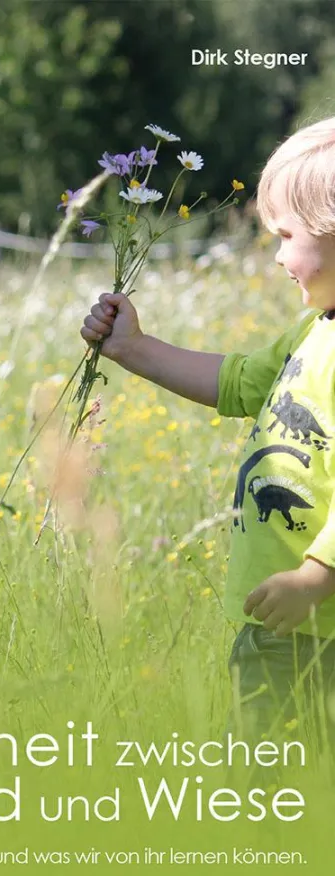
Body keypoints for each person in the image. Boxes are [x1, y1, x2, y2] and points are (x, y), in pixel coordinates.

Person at [81, 117, 335, 746]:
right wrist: (133, 349)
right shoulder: (316, 331)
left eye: (286, 235)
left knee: (269, 792)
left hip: (315, 629)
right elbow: (239, 383)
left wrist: (317, 577)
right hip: (284, 622)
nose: (276, 255)